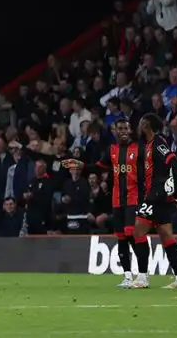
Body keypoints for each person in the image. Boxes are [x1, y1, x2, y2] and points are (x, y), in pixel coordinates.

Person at [61, 117, 145, 288]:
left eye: (125, 128)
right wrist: (81, 165)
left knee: (131, 234)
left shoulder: (139, 149)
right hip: (117, 199)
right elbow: (97, 167)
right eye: (118, 128)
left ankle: (143, 275)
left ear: (130, 130)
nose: (121, 131)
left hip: (133, 198)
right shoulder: (111, 150)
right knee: (121, 237)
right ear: (114, 131)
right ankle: (128, 276)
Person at [130, 114, 177, 290]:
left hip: (157, 196)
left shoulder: (158, 143)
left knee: (138, 230)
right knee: (165, 235)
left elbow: (175, 164)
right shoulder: (146, 144)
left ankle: (142, 277)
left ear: (146, 125)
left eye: (140, 122)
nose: (138, 125)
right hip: (155, 195)